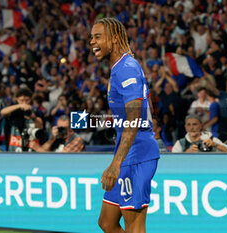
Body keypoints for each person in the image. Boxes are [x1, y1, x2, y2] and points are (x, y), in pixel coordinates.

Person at [90, 18, 160, 233]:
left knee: (134, 226)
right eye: (91, 37)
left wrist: (116, 163)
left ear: (115, 38)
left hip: (137, 155)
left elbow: (134, 120)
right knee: (107, 222)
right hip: (127, 154)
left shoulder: (127, 68)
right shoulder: (120, 68)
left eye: (98, 37)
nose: (92, 42)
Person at [0, 87, 43, 152]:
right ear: (17, 99)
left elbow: (40, 127)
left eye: (27, 100)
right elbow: (3, 112)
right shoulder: (13, 111)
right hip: (14, 150)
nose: (24, 103)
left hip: (31, 149)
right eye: (21, 100)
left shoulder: (35, 111)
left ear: (31, 99)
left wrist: (33, 117)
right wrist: (19, 106)